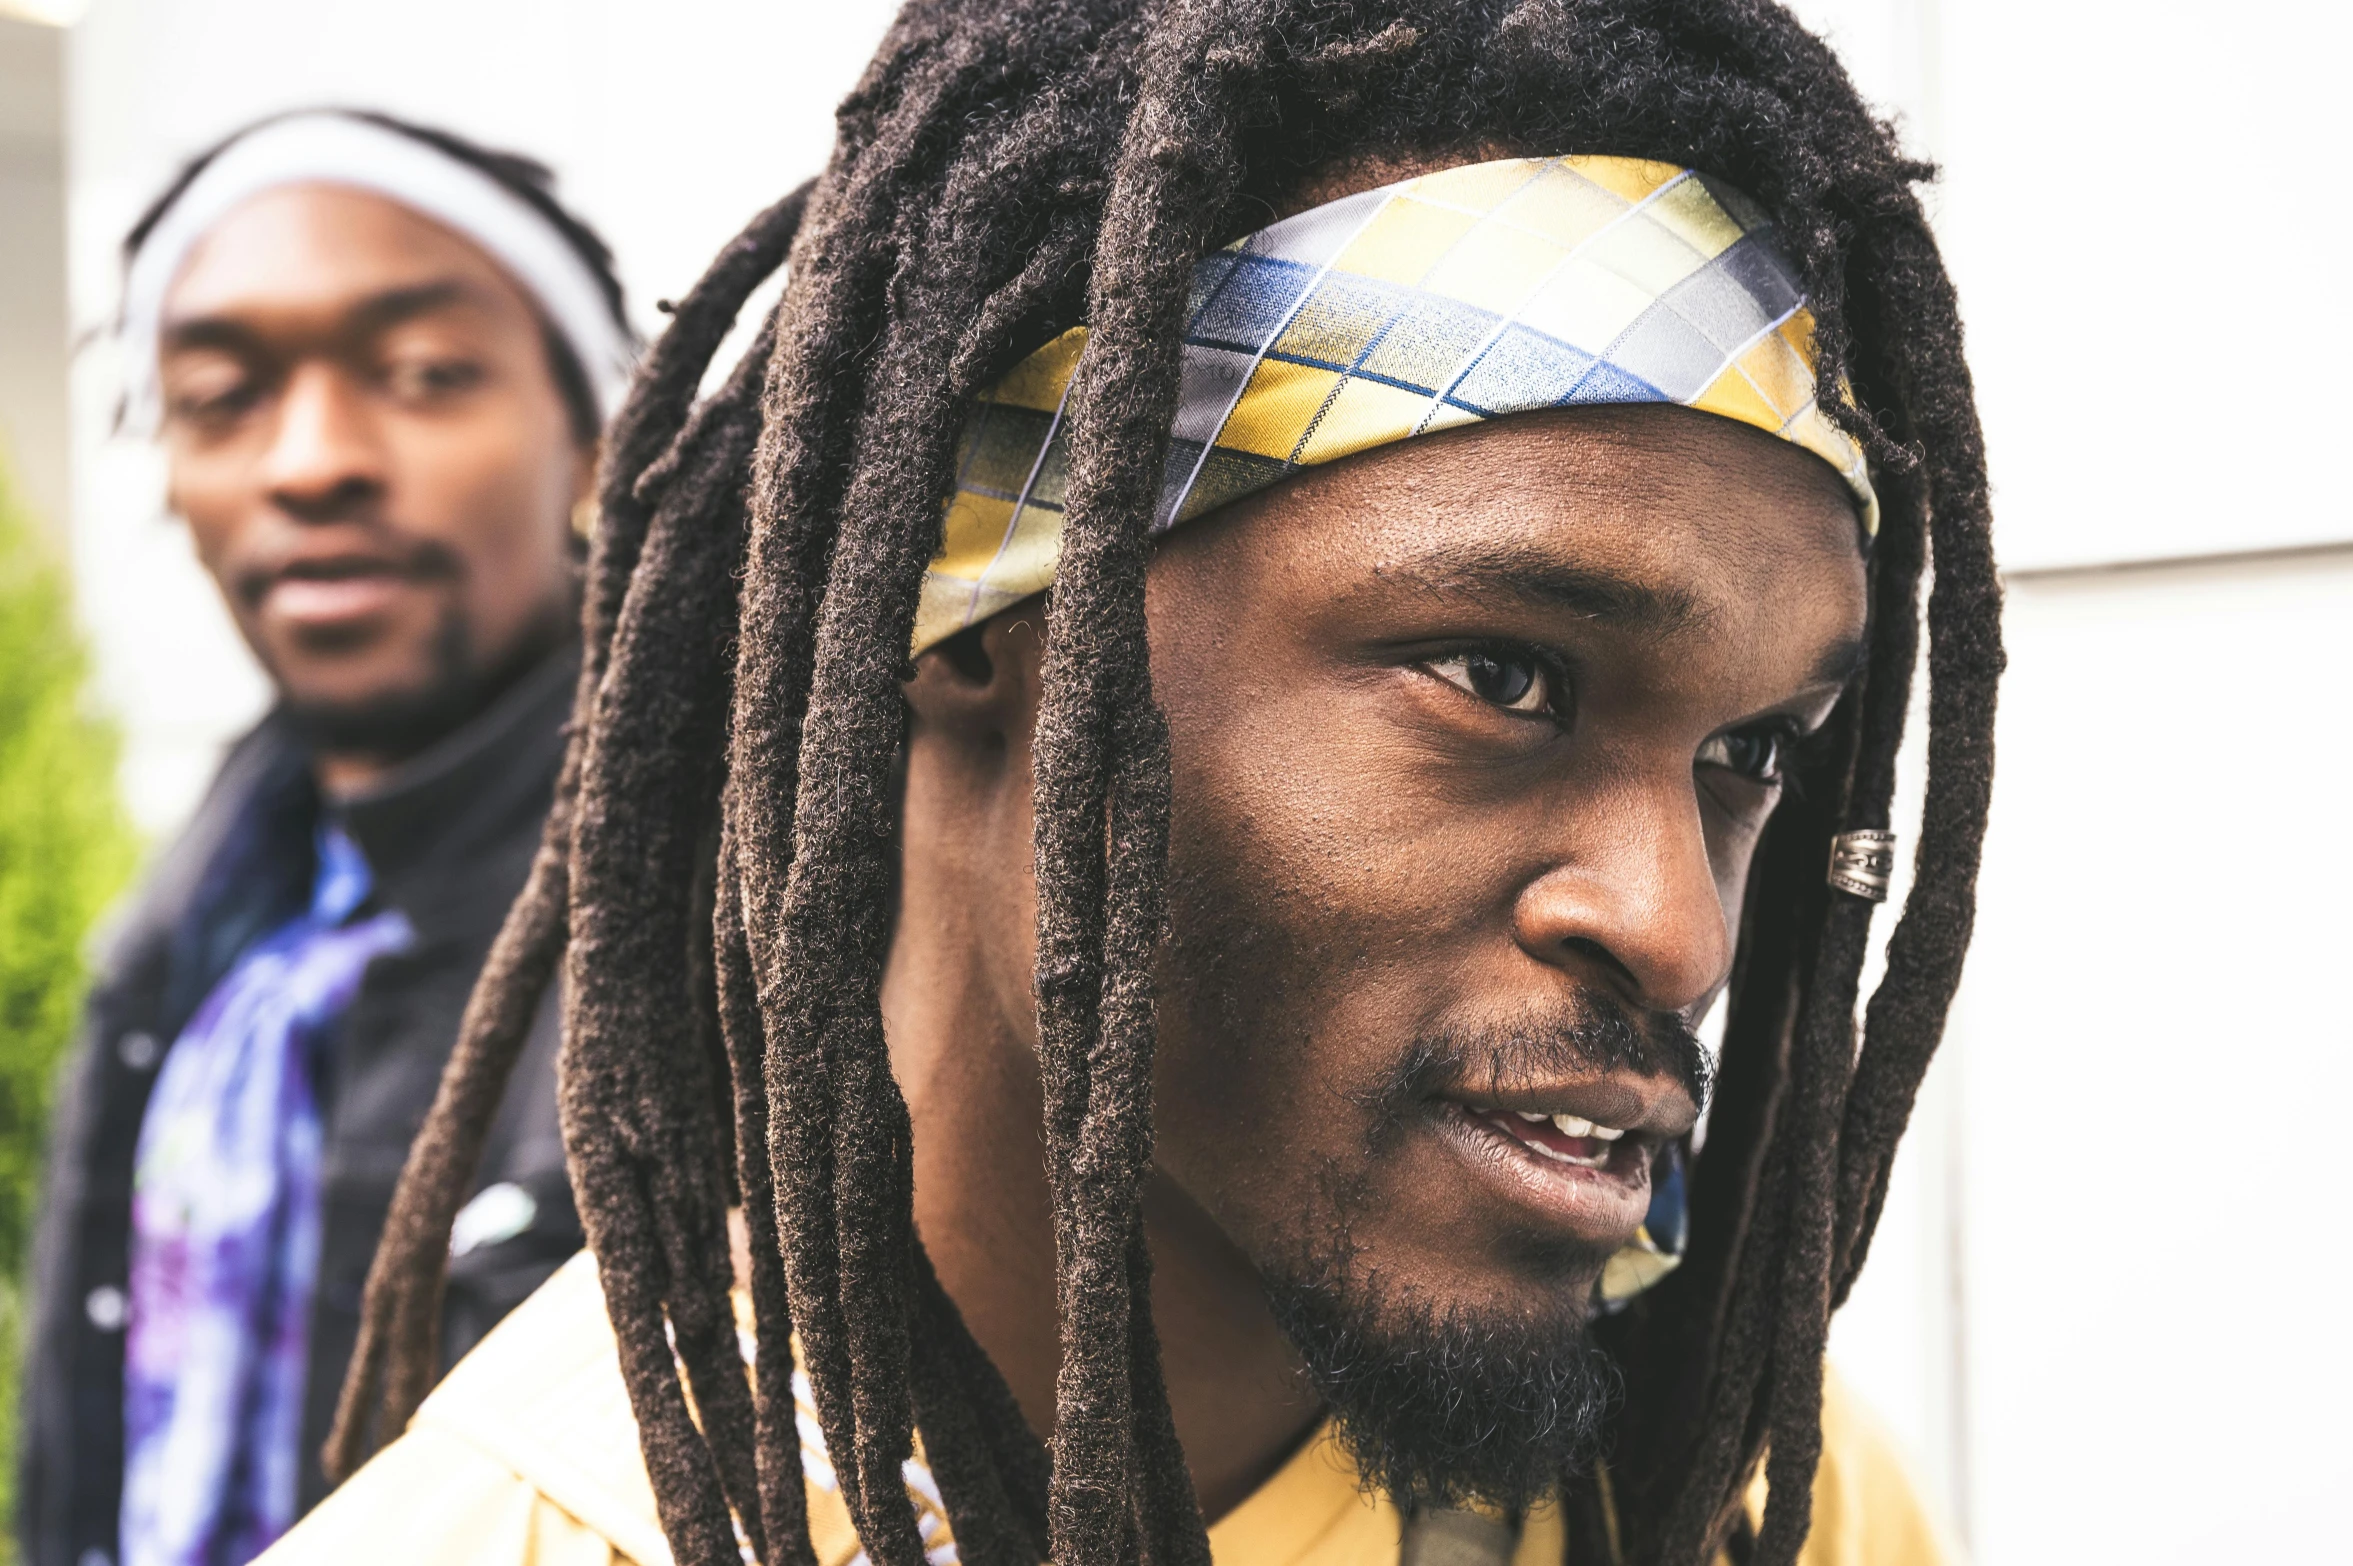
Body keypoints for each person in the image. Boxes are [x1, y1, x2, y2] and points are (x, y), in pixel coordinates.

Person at [281, 1, 2003, 1562]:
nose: (1677, 925)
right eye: (1503, 675)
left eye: (1748, 753)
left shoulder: (1741, 1500)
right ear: (963, 631)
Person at [19, 110, 639, 1566]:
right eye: (223, 394)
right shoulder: (203, 933)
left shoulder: (722, 927)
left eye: (424, 375)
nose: (310, 462)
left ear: (597, 440)